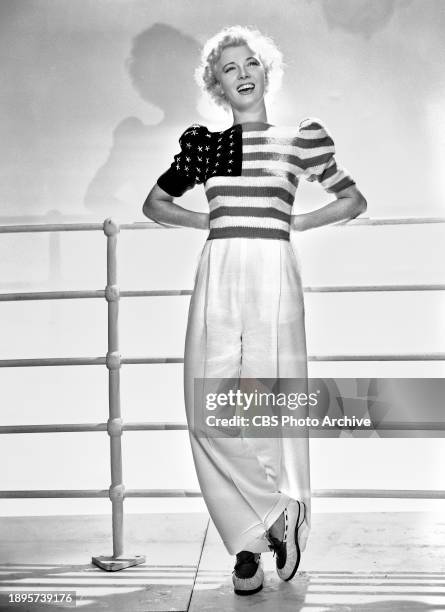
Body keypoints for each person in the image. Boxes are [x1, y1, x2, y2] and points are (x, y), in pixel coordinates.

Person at [142, 25, 367, 596]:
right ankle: (265, 522)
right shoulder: (207, 144)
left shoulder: (300, 139)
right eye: (228, 69)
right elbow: (155, 204)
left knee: (266, 406)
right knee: (206, 410)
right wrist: (209, 224)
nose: (241, 74)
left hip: (272, 270)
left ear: (266, 71)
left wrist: (292, 225)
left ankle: (255, 550)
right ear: (216, 85)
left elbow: (352, 199)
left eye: (250, 65)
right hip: (218, 271)